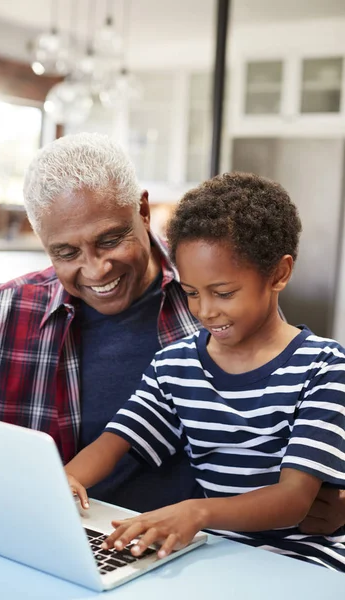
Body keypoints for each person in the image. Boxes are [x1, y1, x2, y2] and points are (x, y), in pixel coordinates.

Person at [0, 134, 344, 529]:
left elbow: (297, 466)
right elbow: (118, 439)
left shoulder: (226, 283)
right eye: (66, 252)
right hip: (83, 535)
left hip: (212, 544)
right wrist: (50, 487)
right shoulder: (2, 315)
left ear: (142, 209)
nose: (96, 269)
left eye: (109, 240)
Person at [65, 172, 345, 570]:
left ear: (279, 274)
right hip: (218, 553)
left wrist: (197, 512)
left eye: (224, 293)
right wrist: (67, 479)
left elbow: (293, 501)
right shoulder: (175, 365)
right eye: (191, 293)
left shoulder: (323, 367)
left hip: (307, 559)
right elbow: (115, 442)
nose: (205, 310)